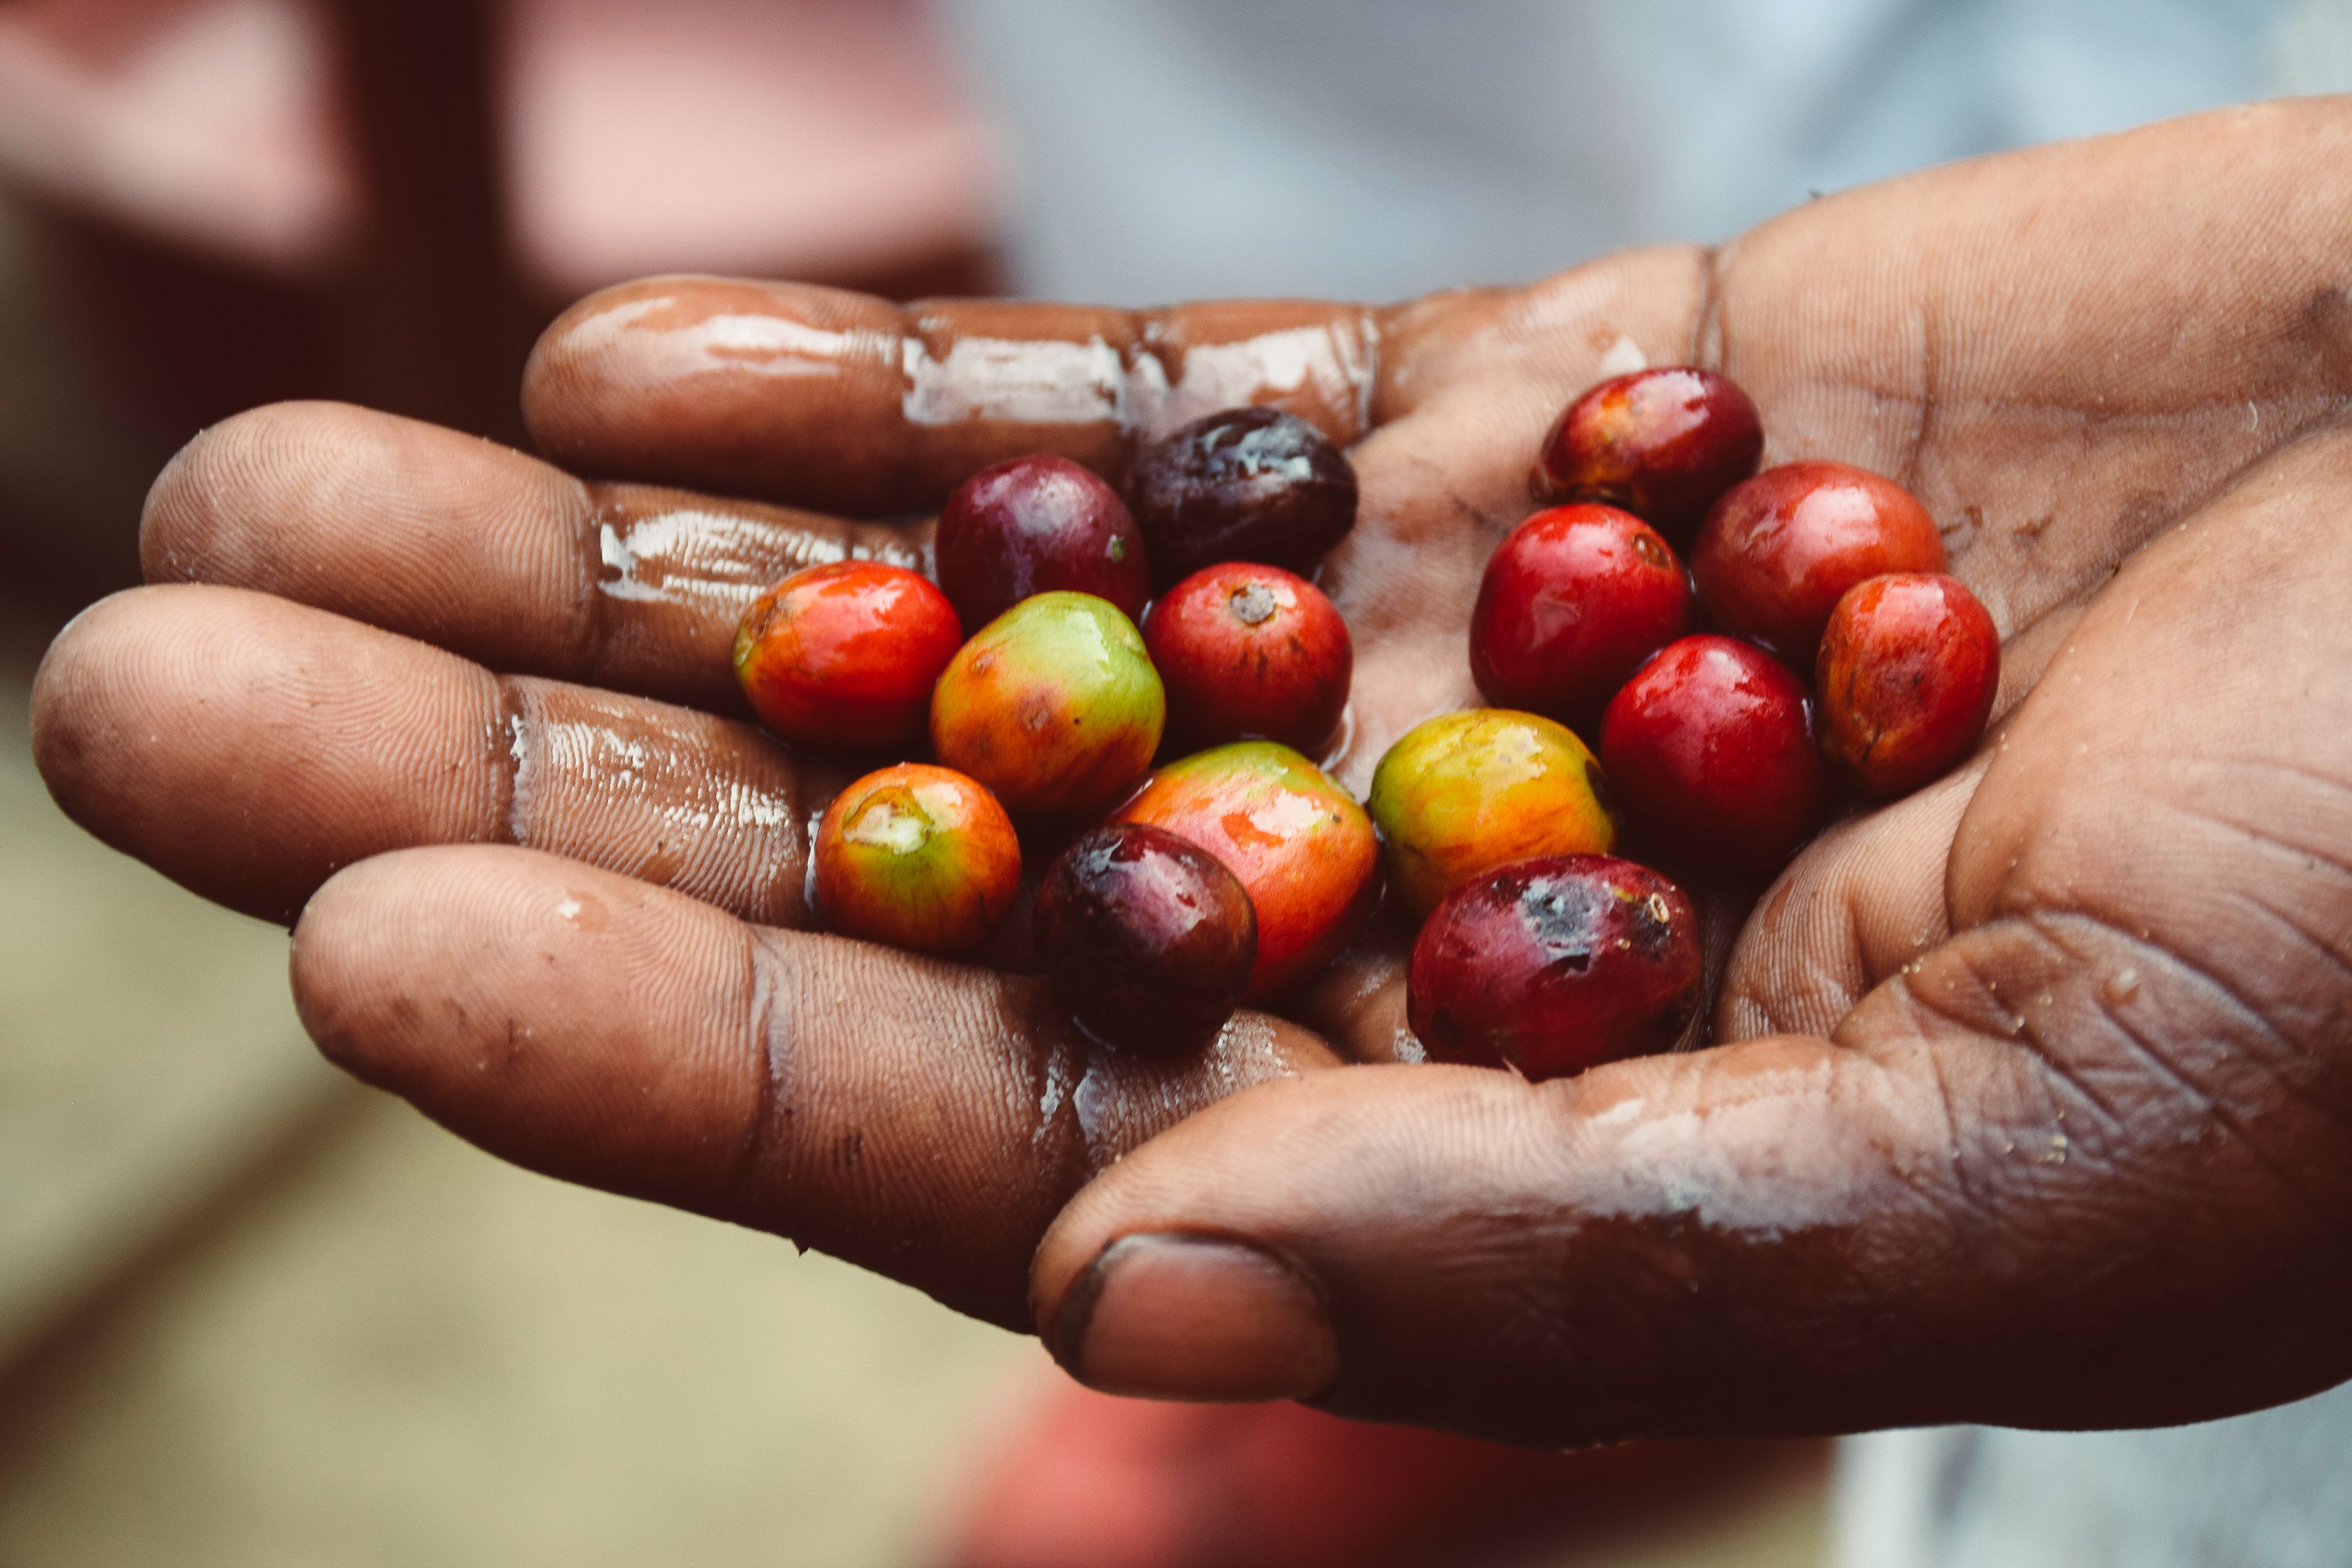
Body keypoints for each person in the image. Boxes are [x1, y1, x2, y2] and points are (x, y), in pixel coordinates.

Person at [31, 97, 2352, 1565]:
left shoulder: (1585, 699)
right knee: (1276, 102)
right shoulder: (1244, 709)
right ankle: (1445, 1398)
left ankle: (1510, 1395)